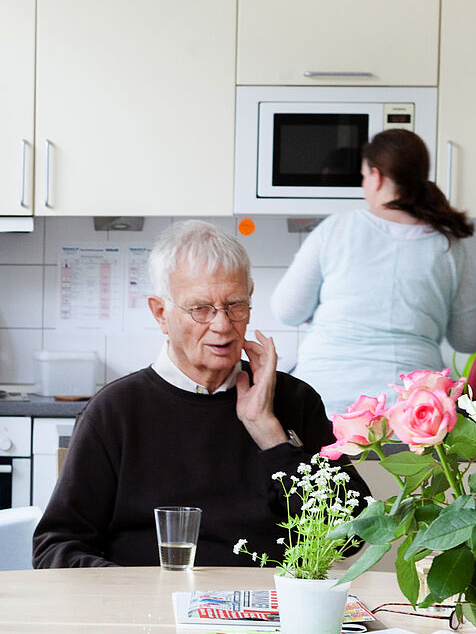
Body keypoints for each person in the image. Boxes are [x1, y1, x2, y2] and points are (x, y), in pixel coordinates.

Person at [33, 220, 348, 569]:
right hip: (147, 614)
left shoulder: (293, 400)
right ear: (161, 313)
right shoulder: (115, 411)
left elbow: (351, 536)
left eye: (235, 305)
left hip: (267, 616)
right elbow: (56, 547)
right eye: (201, 309)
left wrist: (271, 436)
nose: (222, 325)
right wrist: (134, 592)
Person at [271, 128, 476, 416]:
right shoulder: (448, 245)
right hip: (411, 411)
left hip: (326, 401)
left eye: (363, 177)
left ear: (377, 176)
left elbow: (288, 311)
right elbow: (468, 339)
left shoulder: (336, 229)